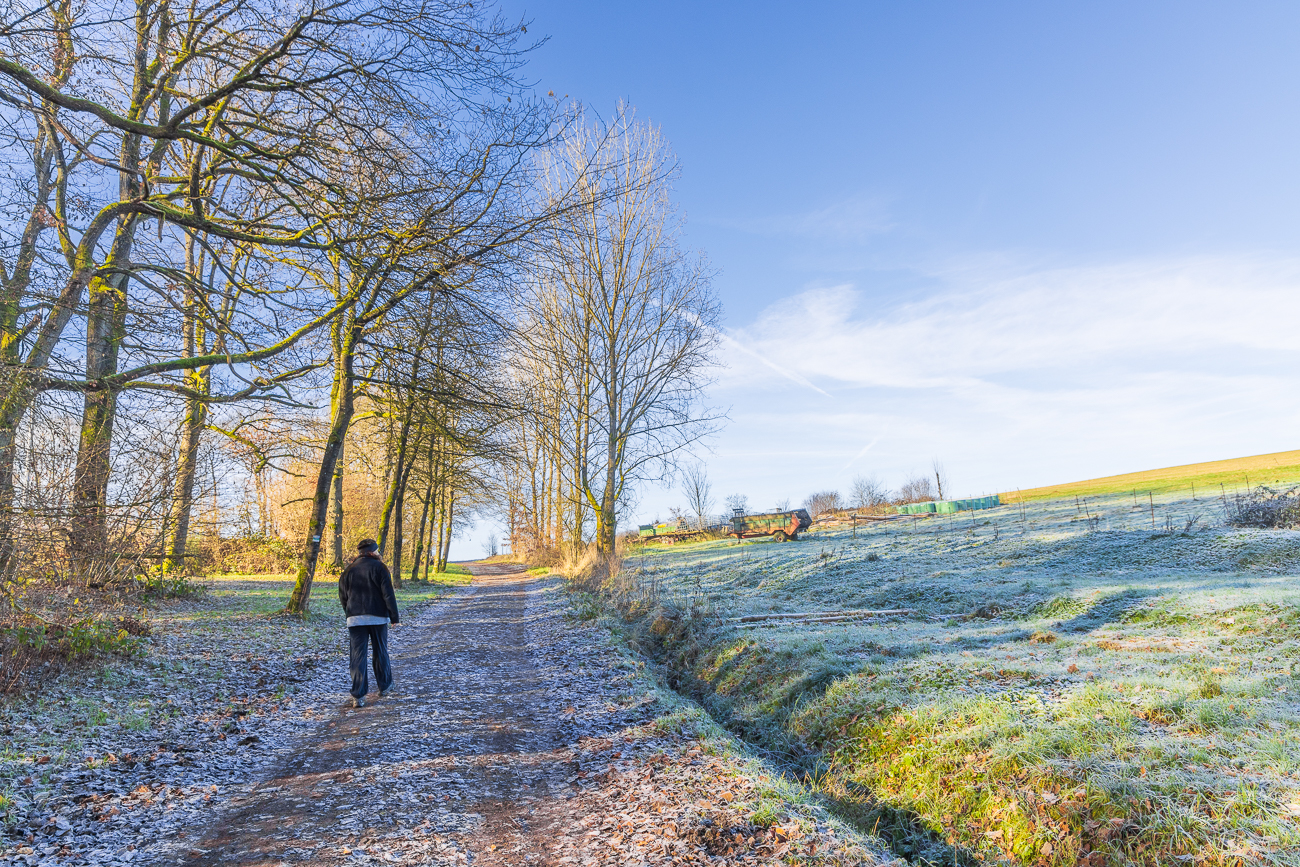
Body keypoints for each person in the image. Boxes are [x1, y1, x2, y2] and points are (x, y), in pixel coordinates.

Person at [338, 538, 400, 708]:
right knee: (380, 651)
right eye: (378, 550)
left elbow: (343, 596)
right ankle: (385, 686)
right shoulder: (380, 567)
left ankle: (358, 695)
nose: (379, 553)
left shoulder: (348, 570)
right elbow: (388, 594)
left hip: (355, 618)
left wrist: (349, 612)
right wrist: (394, 616)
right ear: (373, 552)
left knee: (357, 656)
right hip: (378, 617)